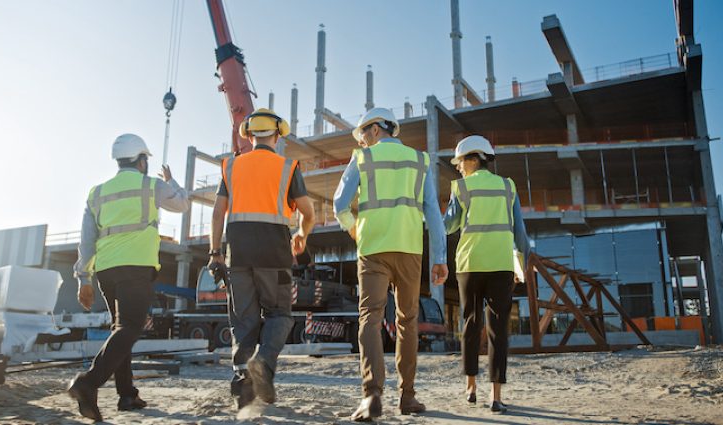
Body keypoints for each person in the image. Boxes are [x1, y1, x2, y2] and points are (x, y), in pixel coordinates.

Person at [333, 107, 448, 422]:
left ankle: (371, 395)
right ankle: (408, 397)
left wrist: (354, 228)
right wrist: (440, 258)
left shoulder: (362, 158)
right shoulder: (420, 160)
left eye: (363, 136)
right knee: (407, 322)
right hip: (410, 249)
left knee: (369, 319)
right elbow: (433, 214)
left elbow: (339, 203)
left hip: (372, 249)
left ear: (372, 130)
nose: (364, 142)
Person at [68, 133, 191, 422]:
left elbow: (86, 240)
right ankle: (88, 383)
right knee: (130, 328)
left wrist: (82, 278)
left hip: (106, 270)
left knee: (120, 330)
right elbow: (183, 205)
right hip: (135, 267)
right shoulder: (152, 185)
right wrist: (171, 182)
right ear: (142, 160)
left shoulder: (97, 192)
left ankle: (127, 395)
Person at [208, 108, 316, 409]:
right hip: (275, 254)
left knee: (244, 322)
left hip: (238, 255)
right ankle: (264, 362)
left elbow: (218, 212)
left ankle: (243, 390)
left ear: (249, 134)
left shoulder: (231, 166)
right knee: (279, 315)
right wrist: (302, 235)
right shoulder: (288, 167)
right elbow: (309, 213)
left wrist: (215, 252)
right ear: (278, 134)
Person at [443, 135, 531, 414]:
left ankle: (470, 388)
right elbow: (520, 233)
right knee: (498, 330)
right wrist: (520, 266)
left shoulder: (460, 188)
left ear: (473, 159)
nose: (458, 167)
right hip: (501, 264)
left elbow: (448, 226)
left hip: (469, 264)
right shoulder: (508, 186)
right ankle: (496, 396)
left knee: (470, 323)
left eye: (460, 162)